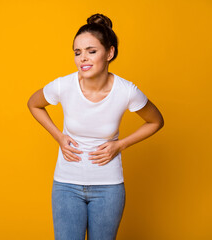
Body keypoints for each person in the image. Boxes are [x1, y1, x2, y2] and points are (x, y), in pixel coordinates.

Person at [27, 13, 164, 240]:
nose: (83, 58)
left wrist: (120, 145)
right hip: (66, 184)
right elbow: (34, 104)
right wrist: (59, 137)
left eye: (91, 51)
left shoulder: (126, 91)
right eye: (77, 52)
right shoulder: (64, 85)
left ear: (109, 53)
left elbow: (156, 121)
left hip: (108, 188)